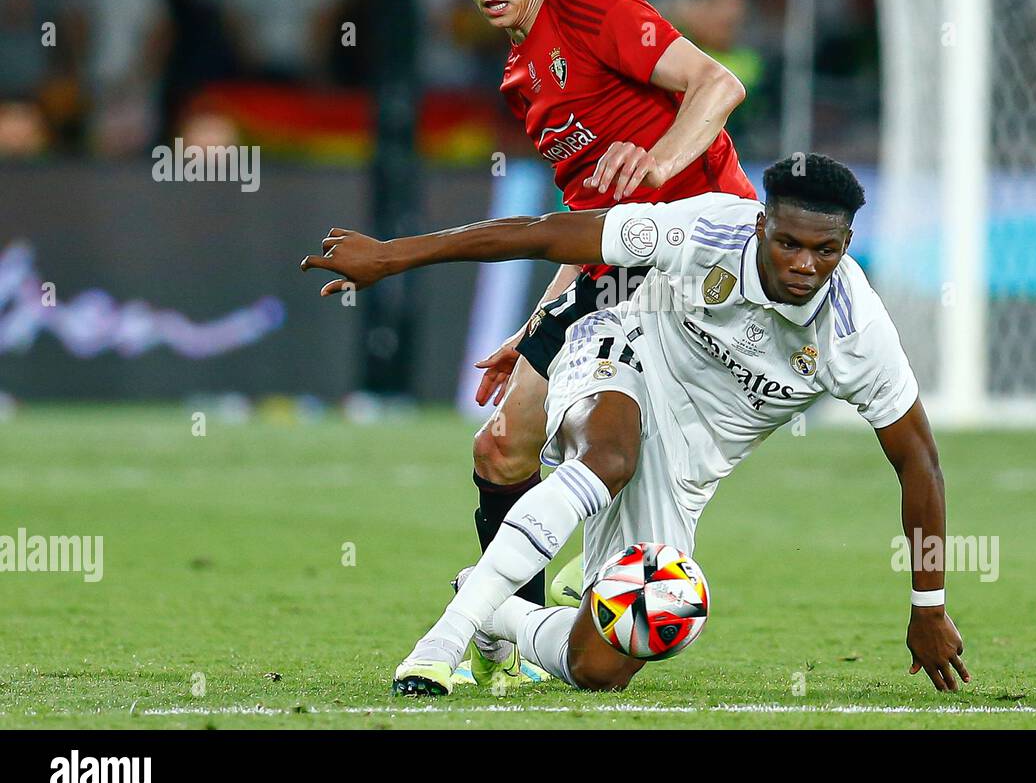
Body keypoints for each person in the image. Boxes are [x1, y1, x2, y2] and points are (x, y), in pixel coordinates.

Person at [301, 153, 970, 696]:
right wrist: (392, 256)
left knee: (606, 665)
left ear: (847, 244)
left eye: (824, 251)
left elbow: (920, 462)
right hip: (619, 344)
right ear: (761, 225)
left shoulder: (857, 332)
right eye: (788, 243)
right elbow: (544, 231)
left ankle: (497, 610)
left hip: (682, 472)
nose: (803, 265)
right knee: (610, 457)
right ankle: (441, 641)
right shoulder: (708, 228)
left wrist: (929, 605)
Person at [428, 0, 757, 684]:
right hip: (615, 272)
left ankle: (550, 601)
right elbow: (590, 226)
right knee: (502, 446)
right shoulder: (521, 80)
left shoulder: (600, 12)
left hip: (701, 261)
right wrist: (531, 328)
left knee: (620, 456)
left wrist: (660, 162)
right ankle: (524, 634)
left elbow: (718, 85)